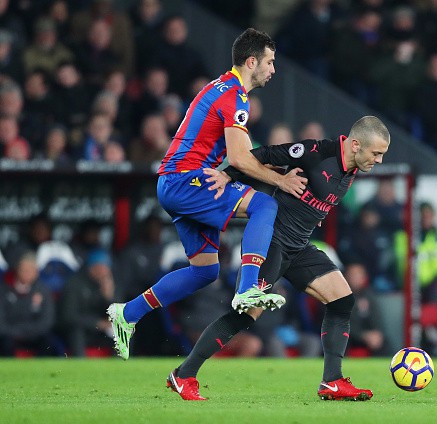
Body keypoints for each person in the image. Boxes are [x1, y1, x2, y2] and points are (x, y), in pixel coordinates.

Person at [107, 28, 307, 360]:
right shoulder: (234, 96)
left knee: (205, 271)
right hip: (188, 179)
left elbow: (239, 158)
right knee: (265, 205)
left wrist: (262, 172)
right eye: (270, 62)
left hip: (177, 182)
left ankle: (127, 314)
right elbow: (241, 158)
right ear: (252, 61)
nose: (273, 70)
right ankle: (247, 289)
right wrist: (281, 181)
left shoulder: (223, 88)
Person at [165, 115, 390, 401]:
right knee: (245, 315)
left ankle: (332, 381)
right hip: (270, 243)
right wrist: (227, 175)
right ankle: (184, 374)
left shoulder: (353, 167)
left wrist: (313, 213)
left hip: (298, 247)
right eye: (376, 154)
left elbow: (314, 197)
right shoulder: (316, 152)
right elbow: (264, 155)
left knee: (343, 300)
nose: (379, 160)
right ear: (356, 145)